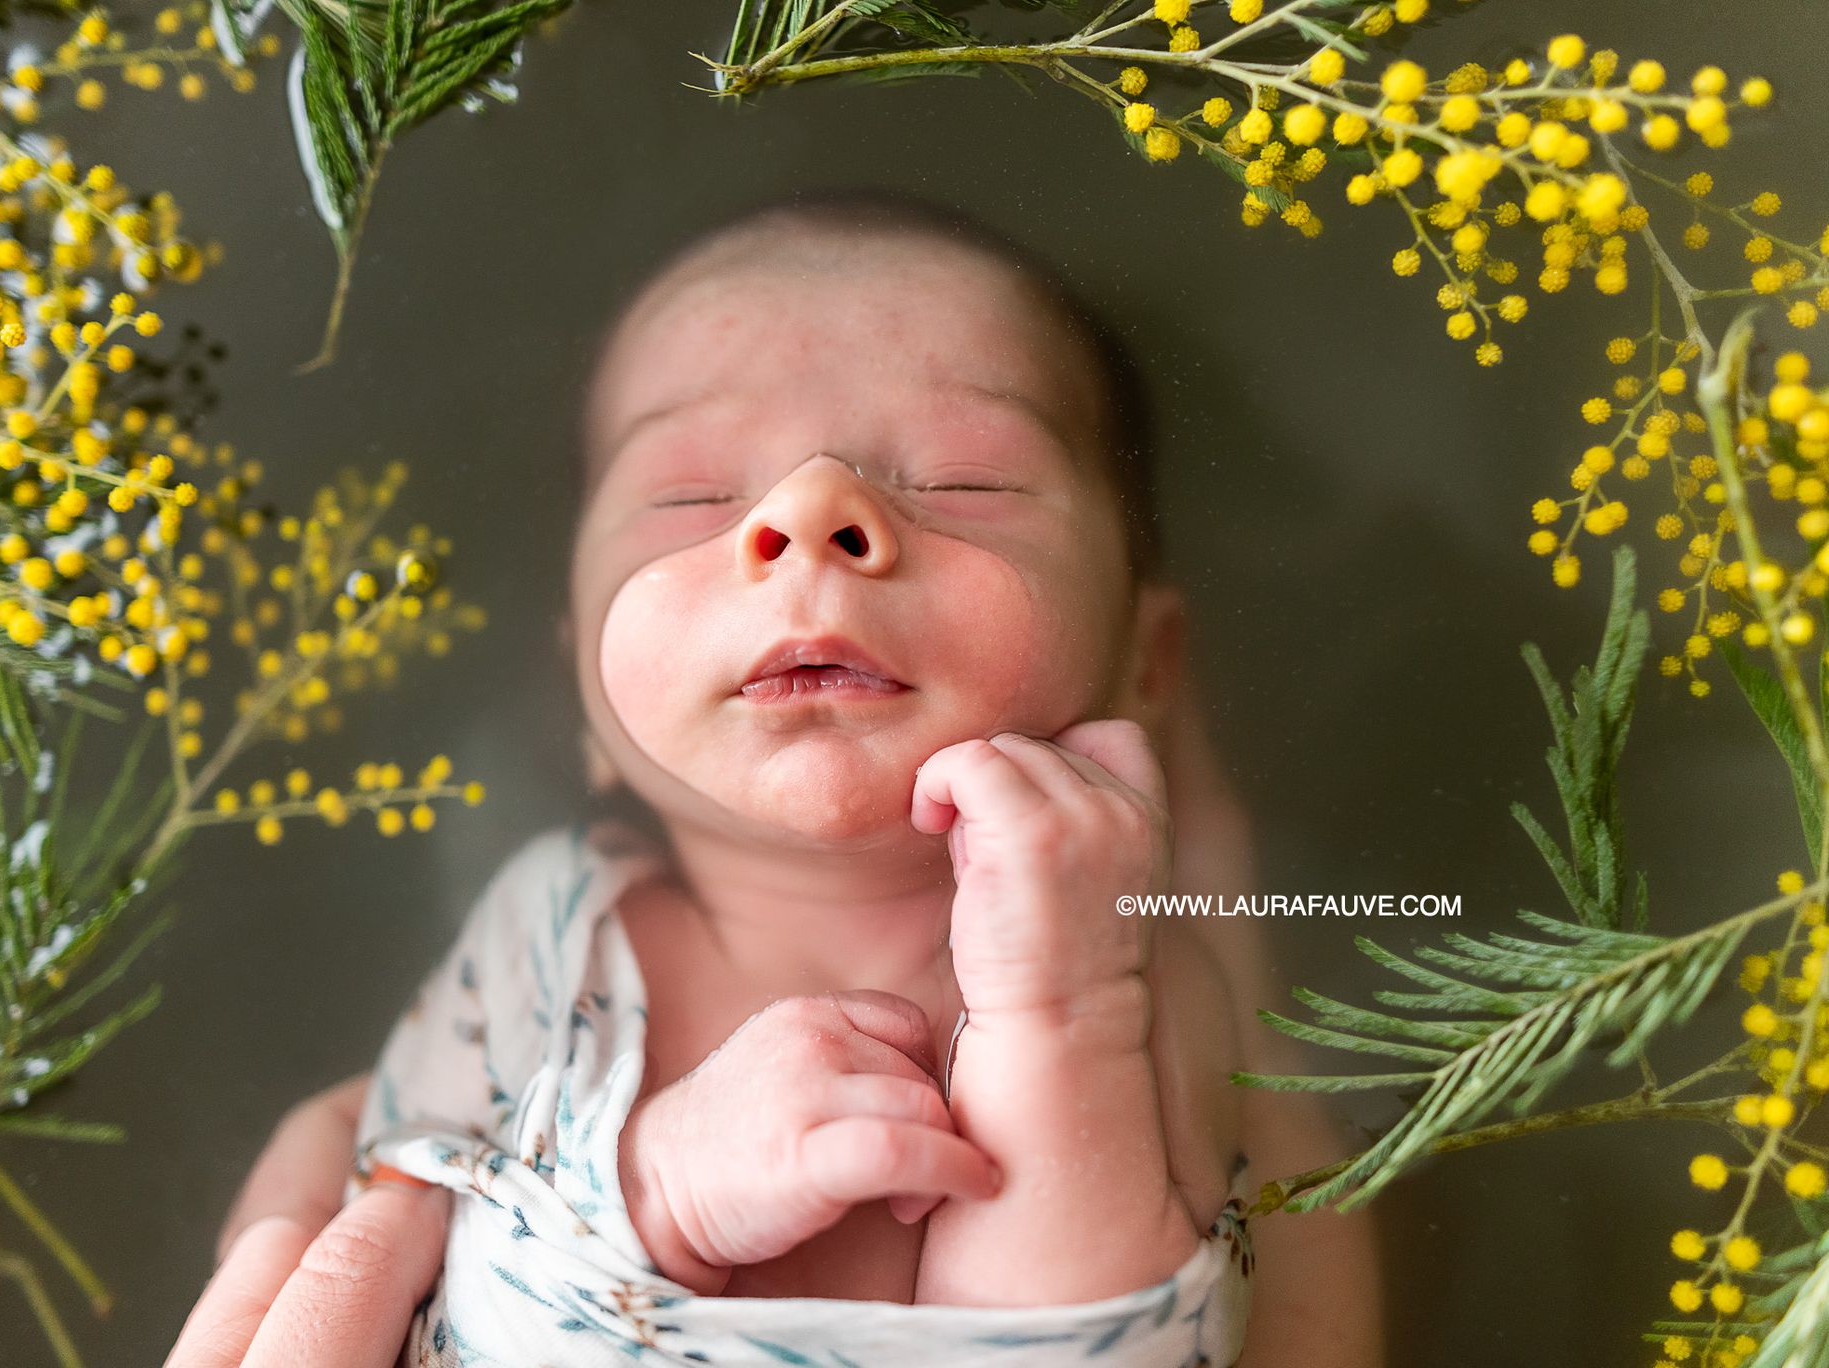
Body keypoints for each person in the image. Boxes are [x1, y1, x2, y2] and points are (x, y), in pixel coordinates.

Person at [169, 186, 1385, 1366]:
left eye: (967, 480)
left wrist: (1056, 1019)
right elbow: (388, 1282)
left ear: (1145, 662)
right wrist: (658, 1190)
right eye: (687, 494)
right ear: (583, 703)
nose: (810, 509)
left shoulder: (1137, 979)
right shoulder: (544, 934)